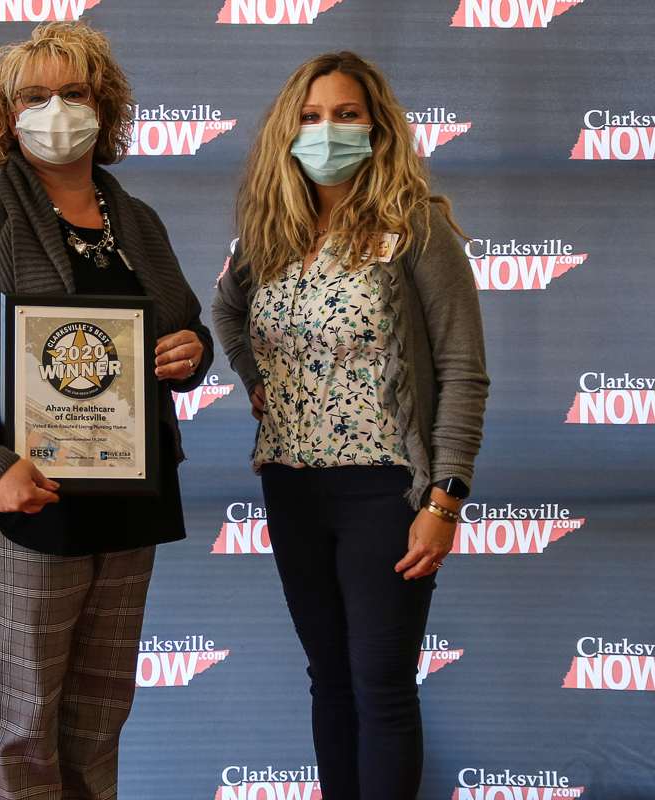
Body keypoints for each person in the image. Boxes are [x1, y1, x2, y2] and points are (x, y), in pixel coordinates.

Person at [0, 21, 213, 800]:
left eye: (74, 93)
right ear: (7, 117)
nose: (56, 109)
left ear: (102, 107)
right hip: (23, 503)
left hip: (128, 498)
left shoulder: (137, 221)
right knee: (22, 730)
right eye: (34, 96)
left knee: (97, 723)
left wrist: (194, 353)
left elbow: (182, 328)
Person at [212, 52, 489, 800]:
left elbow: (463, 371)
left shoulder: (416, 228)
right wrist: (257, 378)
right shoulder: (269, 234)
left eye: (345, 114)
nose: (326, 130)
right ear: (287, 130)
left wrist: (444, 500)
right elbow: (228, 312)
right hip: (291, 487)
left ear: (376, 127)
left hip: (387, 493)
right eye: (309, 116)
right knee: (329, 678)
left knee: (381, 685)